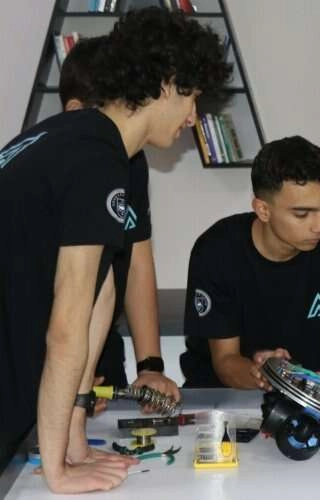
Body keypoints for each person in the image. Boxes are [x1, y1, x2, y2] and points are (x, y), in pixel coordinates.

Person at [0, 8, 231, 493]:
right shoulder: (93, 157)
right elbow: (66, 328)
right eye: (191, 97)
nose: (193, 117)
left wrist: (75, 442)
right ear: (165, 84)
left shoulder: (94, 146)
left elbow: (100, 299)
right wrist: (58, 471)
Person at [180, 135, 320, 420]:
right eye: (302, 214)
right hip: (222, 403)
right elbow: (226, 361)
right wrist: (264, 373)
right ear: (263, 210)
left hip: (310, 402)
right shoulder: (218, 251)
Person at [58, 36, 180, 412]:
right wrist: (67, 385)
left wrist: (151, 367)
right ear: (75, 109)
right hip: (44, 352)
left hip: (99, 344)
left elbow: (136, 260)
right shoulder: (56, 165)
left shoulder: (130, 162)